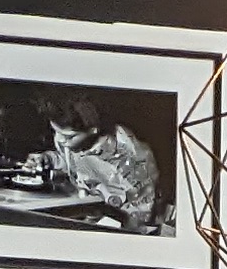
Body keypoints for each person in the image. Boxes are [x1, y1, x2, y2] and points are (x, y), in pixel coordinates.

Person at [41, 99, 163, 235]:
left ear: (93, 130)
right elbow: (72, 161)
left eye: (68, 136)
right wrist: (50, 159)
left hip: (123, 225)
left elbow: (143, 209)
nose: (60, 140)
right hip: (86, 211)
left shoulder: (129, 156)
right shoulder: (71, 141)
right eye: (55, 131)